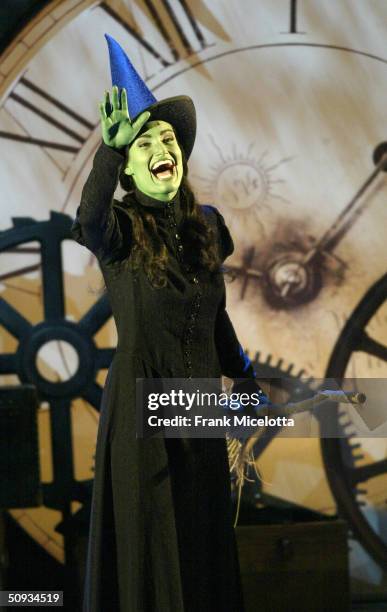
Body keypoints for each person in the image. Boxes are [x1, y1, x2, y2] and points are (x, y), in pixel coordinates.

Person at [71, 34, 265, 612]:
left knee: (202, 542)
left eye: (169, 139)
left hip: (198, 411)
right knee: (154, 545)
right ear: (131, 167)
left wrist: (245, 377)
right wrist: (110, 150)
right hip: (145, 414)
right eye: (148, 141)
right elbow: (88, 215)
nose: (165, 147)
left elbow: (214, 316)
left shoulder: (205, 224)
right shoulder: (122, 231)